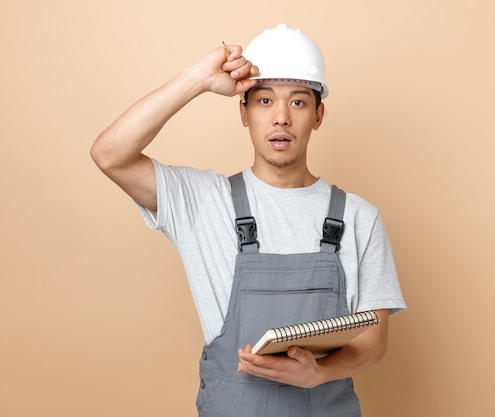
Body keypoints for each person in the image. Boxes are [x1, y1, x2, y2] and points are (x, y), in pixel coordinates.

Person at [91, 24, 405, 417]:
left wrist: (319, 373)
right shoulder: (204, 202)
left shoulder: (360, 217)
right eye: (264, 100)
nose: (280, 118)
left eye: (298, 102)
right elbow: (110, 154)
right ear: (243, 111)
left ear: (319, 114)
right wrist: (199, 79)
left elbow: (374, 340)